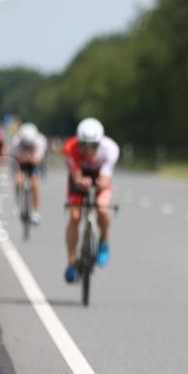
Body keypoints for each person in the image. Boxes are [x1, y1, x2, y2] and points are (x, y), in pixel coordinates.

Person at [63, 118, 120, 283]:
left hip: (100, 175)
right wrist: (80, 181)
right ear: (78, 142)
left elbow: (106, 177)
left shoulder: (110, 149)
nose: (88, 150)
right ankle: (71, 262)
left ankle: (104, 241)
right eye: (84, 146)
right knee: (74, 216)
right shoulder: (70, 148)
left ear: (99, 143)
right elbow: (75, 174)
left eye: (93, 146)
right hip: (80, 176)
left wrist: (101, 184)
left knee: (102, 208)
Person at [11, 123, 48, 224]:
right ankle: (17, 203)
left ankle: (36, 211)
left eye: (29, 144)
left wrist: (29, 158)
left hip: (34, 164)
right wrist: (24, 158)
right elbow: (16, 158)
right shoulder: (15, 141)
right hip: (20, 163)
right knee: (18, 180)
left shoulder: (41, 141)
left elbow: (37, 160)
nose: (27, 146)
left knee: (35, 183)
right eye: (24, 144)